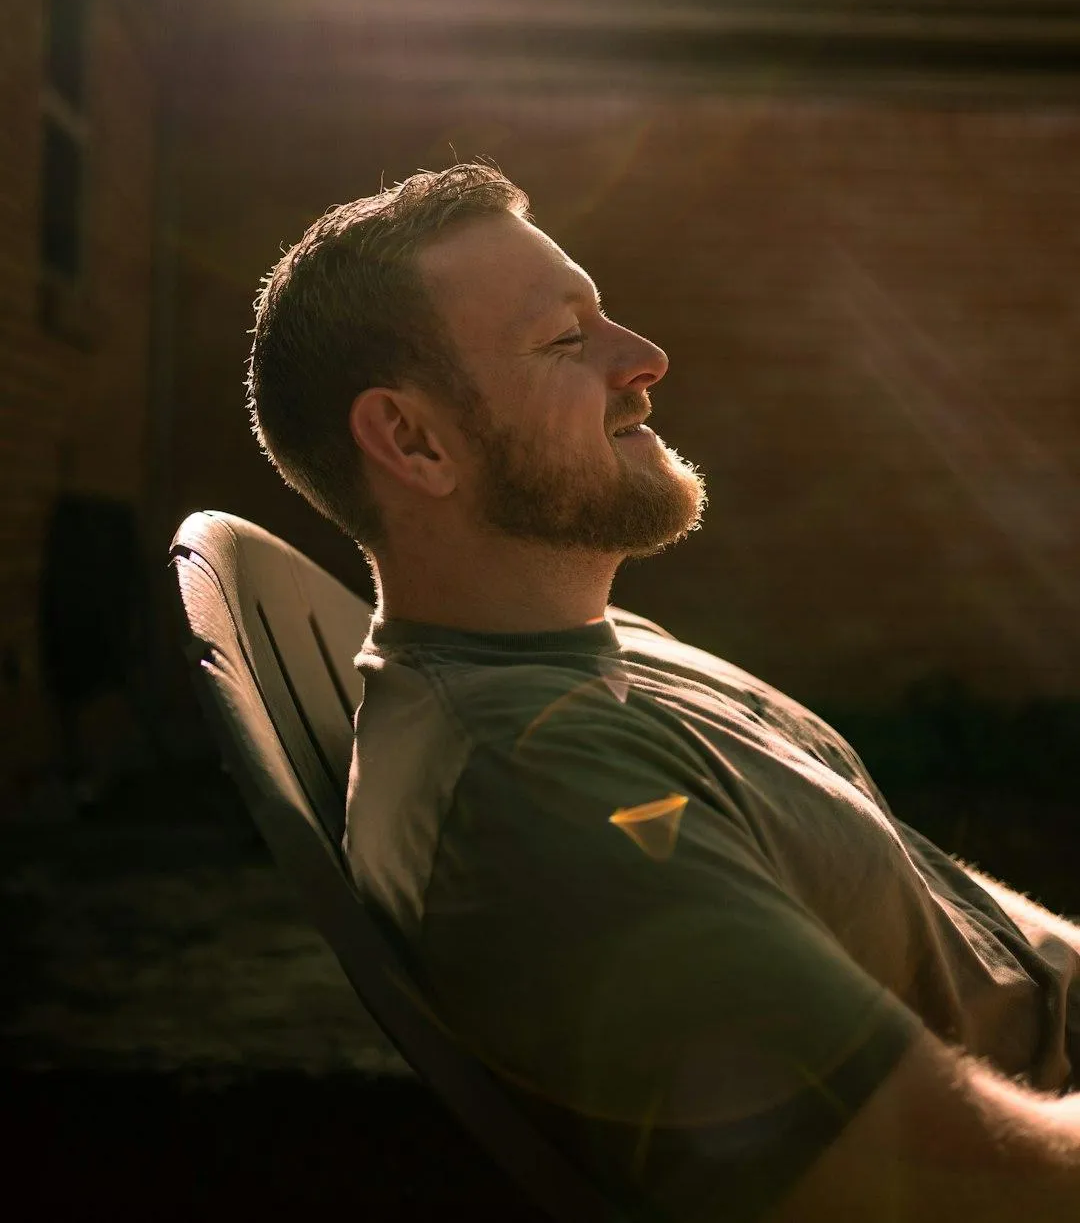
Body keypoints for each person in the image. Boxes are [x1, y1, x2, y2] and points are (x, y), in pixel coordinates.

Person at [246, 162, 1080, 1221]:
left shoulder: (590, 648)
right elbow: (956, 1186)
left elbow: (931, 904)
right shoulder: (540, 789)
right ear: (415, 440)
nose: (644, 357)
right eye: (566, 339)